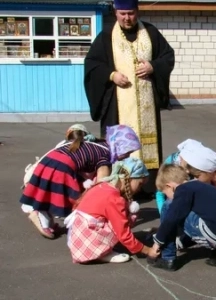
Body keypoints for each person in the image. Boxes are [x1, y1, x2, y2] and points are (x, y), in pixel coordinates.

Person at [84, 0, 175, 194]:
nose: (127, 18)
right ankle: (120, 187)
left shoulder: (150, 33)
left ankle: (147, 186)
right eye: (123, 13)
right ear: (115, 12)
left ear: (138, 11)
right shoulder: (107, 36)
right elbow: (92, 64)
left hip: (146, 106)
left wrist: (153, 66)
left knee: (148, 146)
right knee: (119, 148)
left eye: (131, 13)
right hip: (117, 108)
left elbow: (167, 56)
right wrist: (111, 75)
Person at [20, 124, 111, 239]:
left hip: (47, 164)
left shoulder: (71, 144)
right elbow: (101, 183)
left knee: (49, 195)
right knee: (73, 199)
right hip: (62, 167)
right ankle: (39, 215)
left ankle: (46, 219)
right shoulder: (105, 153)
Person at [147, 164, 216, 271]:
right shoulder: (202, 186)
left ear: (169, 186)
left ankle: (168, 258)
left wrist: (156, 245)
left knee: (169, 207)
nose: (167, 196)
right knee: (189, 212)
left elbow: (171, 219)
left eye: (165, 193)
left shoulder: (182, 189)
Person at [65, 158, 151, 264]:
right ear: (129, 178)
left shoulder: (103, 185)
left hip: (77, 239)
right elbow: (123, 233)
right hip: (87, 246)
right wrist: (147, 250)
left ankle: (98, 249)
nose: (140, 189)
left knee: (118, 216)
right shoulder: (114, 198)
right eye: (140, 184)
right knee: (119, 220)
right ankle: (101, 252)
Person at [154, 138, 202, 214]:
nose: (188, 171)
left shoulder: (199, 165)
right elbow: (160, 193)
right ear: (181, 158)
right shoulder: (171, 162)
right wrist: (163, 214)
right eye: (187, 167)